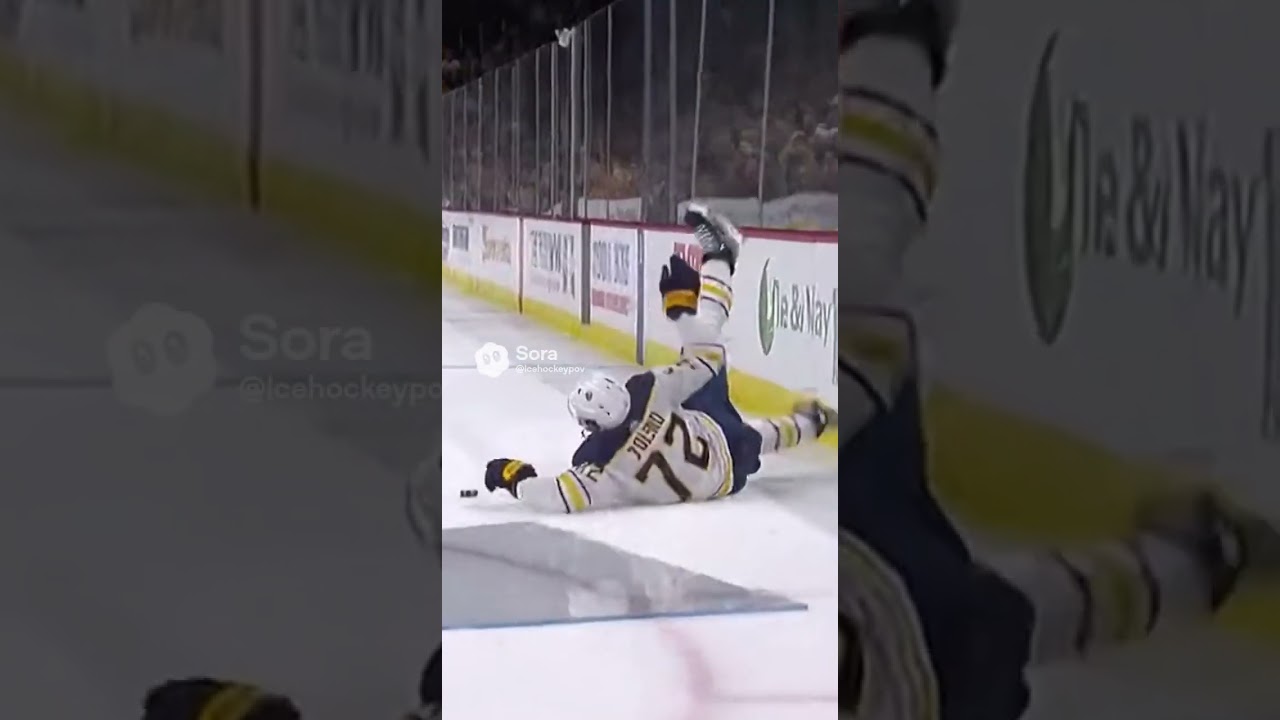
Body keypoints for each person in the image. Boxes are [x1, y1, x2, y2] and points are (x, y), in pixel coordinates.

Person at [835, 0, 1280, 718]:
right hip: (894, 625)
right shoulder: (944, 648)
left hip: (858, 572)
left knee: (847, 291)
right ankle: (892, 35)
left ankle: (1199, 562)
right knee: (849, 282)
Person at [482, 204, 836, 512]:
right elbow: (708, 356)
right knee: (706, 346)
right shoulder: (647, 390)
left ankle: (813, 423)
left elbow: (559, 495)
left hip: (727, 478)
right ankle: (721, 259)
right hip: (717, 432)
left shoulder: (600, 464)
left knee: (749, 438)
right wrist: (680, 313)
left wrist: (515, 477)